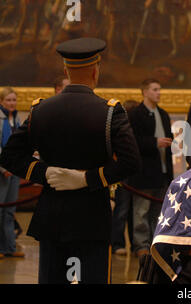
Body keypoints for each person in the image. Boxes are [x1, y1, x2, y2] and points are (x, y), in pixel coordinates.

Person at [0, 37, 141, 284]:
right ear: (96, 70)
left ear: (65, 70)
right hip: (92, 216)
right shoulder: (109, 112)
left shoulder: (40, 110)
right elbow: (131, 162)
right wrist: (87, 179)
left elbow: (10, 156)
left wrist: (46, 173)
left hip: (52, 215)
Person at [127, 79, 173, 257]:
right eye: (155, 89)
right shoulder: (136, 114)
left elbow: (167, 140)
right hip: (144, 172)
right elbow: (132, 141)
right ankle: (141, 245)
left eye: (159, 89)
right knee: (141, 211)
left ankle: (156, 243)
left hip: (162, 171)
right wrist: (154, 143)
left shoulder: (163, 114)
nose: (158, 93)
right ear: (145, 92)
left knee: (158, 211)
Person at [111, 99, 140, 256]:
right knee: (122, 210)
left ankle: (133, 244)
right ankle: (117, 243)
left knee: (131, 211)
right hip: (123, 174)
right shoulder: (121, 128)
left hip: (134, 174)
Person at [0, 87, 25, 259]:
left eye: (14, 100)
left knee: (9, 211)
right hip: (2, 171)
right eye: (8, 100)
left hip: (14, 170)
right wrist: (4, 167)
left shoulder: (16, 118)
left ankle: (9, 246)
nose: (11, 103)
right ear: (1, 101)